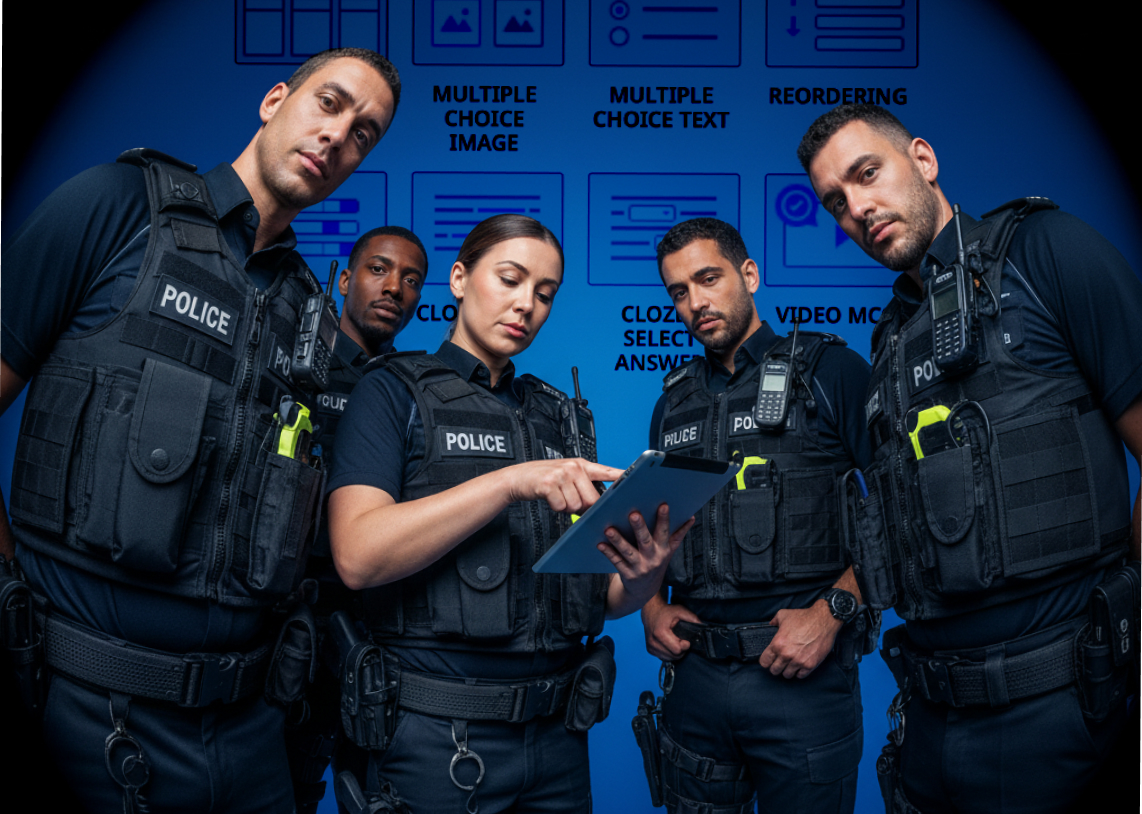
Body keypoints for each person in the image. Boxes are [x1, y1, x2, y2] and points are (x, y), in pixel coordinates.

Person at [0, 47, 402, 812]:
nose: (338, 136)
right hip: (88, 715)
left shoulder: (309, 315)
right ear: (275, 99)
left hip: (249, 733)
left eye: (364, 133)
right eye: (330, 103)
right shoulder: (119, 208)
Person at [797, 103, 1142, 814]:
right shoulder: (891, 336)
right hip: (930, 721)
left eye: (869, 174)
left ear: (922, 160)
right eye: (837, 201)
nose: (858, 208)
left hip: (1067, 714)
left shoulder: (1046, 252)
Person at [326, 213, 688, 814]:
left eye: (545, 294)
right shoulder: (392, 391)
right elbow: (357, 556)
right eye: (511, 279)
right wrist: (511, 482)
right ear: (461, 279)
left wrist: (644, 574)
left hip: (558, 739)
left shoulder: (559, 416)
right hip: (436, 739)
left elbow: (597, 598)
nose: (527, 306)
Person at [631, 218, 876, 814]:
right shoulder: (673, 402)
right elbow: (653, 527)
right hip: (696, 680)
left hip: (801, 677)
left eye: (708, 279)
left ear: (749, 274)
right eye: (679, 292)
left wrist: (833, 611)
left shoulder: (829, 374)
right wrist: (651, 607)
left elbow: (902, 507)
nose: (695, 303)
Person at [284, 225, 428, 813]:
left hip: (379, 629)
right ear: (344, 280)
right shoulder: (294, 367)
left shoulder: (416, 392)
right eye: (378, 269)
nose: (393, 287)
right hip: (285, 618)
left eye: (410, 279)